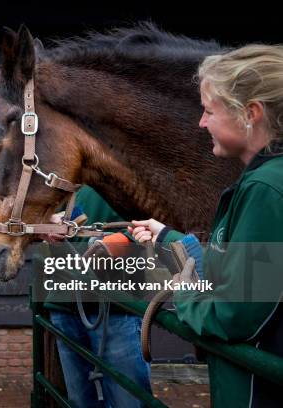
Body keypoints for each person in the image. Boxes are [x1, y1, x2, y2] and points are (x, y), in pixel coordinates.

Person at [130, 44, 283, 407]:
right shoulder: (265, 181)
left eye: (209, 111)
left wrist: (183, 294)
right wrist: (169, 237)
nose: (201, 122)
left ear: (251, 113)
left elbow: (234, 316)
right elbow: (247, 270)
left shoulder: (265, 189)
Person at [44, 186, 152, 408]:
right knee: (80, 401)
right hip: (65, 303)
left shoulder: (129, 171)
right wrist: (44, 226)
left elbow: (154, 223)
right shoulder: (60, 173)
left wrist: (117, 243)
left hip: (116, 306)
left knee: (129, 399)